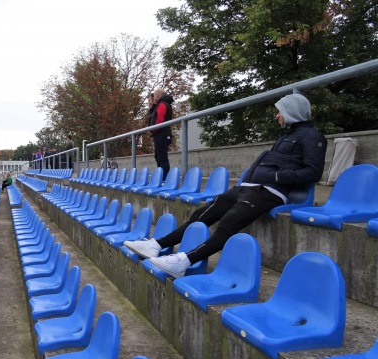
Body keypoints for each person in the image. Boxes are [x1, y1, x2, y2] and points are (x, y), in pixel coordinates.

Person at [124, 94, 327, 279]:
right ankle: (156, 245)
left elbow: (313, 173)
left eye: (280, 111)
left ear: (293, 111)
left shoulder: (312, 136)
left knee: (227, 225)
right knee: (201, 216)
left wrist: (275, 175)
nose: (277, 116)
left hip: (267, 192)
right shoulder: (286, 135)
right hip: (246, 188)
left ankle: (184, 261)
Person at [149, 89, 175, 181]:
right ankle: (162, 178)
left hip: (162, 134)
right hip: (160, 134)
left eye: (155, 96)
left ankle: (165, 179)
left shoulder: (162, 104)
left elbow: (160, 119)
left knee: (162, 157)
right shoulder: (161, 104)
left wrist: (154, 130)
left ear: (158, 96)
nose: (154, 98)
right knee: (159, 156)